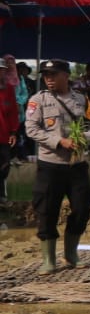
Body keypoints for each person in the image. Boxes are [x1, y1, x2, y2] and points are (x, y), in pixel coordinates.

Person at [25, 59, 90, 273]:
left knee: (83, 206)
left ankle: (71, 253)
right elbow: (32, 129)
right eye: (46, 75)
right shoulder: (38, 100)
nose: (48, 79)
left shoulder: (81, 99)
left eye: (53, 75)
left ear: (66, 76)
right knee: (46, 210)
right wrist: (59, 141)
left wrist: (84, 139)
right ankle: (49, 259)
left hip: (77, 165)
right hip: (50, 165)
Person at [0, 58, 17, 206]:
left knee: (4, 166)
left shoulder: (9, 88)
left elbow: (13, 112)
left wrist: (13, 132)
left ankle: (2, 196)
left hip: (4, 135)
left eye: (1, 69)